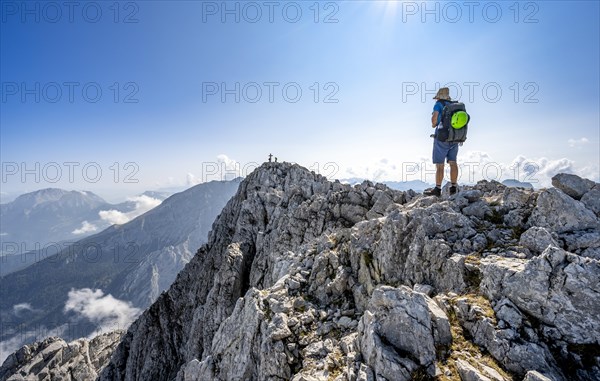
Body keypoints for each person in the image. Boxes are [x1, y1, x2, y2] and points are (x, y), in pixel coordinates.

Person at [424, 87, 459, 197]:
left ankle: (437, 189)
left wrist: (434, 124)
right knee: (453, 162)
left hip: (442, 138)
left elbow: (434, 118)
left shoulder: (438, 104)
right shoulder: (454, 105)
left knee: (440, 165)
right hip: (455, 138)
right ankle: (454, 187)